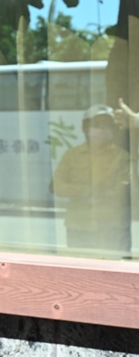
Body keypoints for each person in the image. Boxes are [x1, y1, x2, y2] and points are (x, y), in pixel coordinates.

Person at [52, 104, 131, 257]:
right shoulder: (72, 155)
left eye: (106, 125)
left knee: (115, 274)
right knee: (79, 274)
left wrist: (101, 193)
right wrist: (86, 191)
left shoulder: (122, 157)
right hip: (79, 226)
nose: (101, 129)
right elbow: (57, 185)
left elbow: (124, 189)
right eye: (96, 125)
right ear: (85, 128)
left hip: (111, 227)